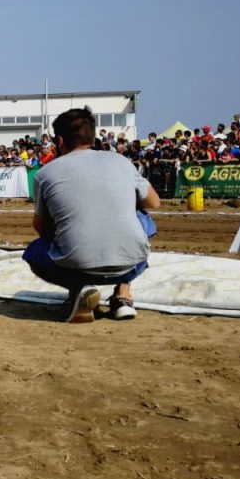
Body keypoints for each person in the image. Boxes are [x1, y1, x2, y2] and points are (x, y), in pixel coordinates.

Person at [24, 107, 161, 323]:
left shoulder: (45, 174)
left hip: (72, 266)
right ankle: (123, 294)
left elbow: (41, 228)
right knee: (141, 215)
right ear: (93, 136)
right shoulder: (121, 162)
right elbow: (154, 202)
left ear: (60, 141)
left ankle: (79, 287)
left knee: (34, 251)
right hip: (129, 265)